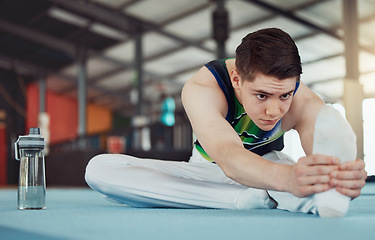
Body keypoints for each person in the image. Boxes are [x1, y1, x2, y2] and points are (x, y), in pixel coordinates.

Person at [85, 28, 367, 215]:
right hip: (208, 172)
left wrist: (339, 179)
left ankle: (295, 197)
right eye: (262, 95)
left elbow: (324, 158)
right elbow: (229, 158)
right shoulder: (203, 88)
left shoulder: (304, 101)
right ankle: (252, 198)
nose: (273, 110)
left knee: (288, 168)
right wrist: (287, 179)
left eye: (284, 96)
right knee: (100, 169)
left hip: (270, 167)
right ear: (236, 80)